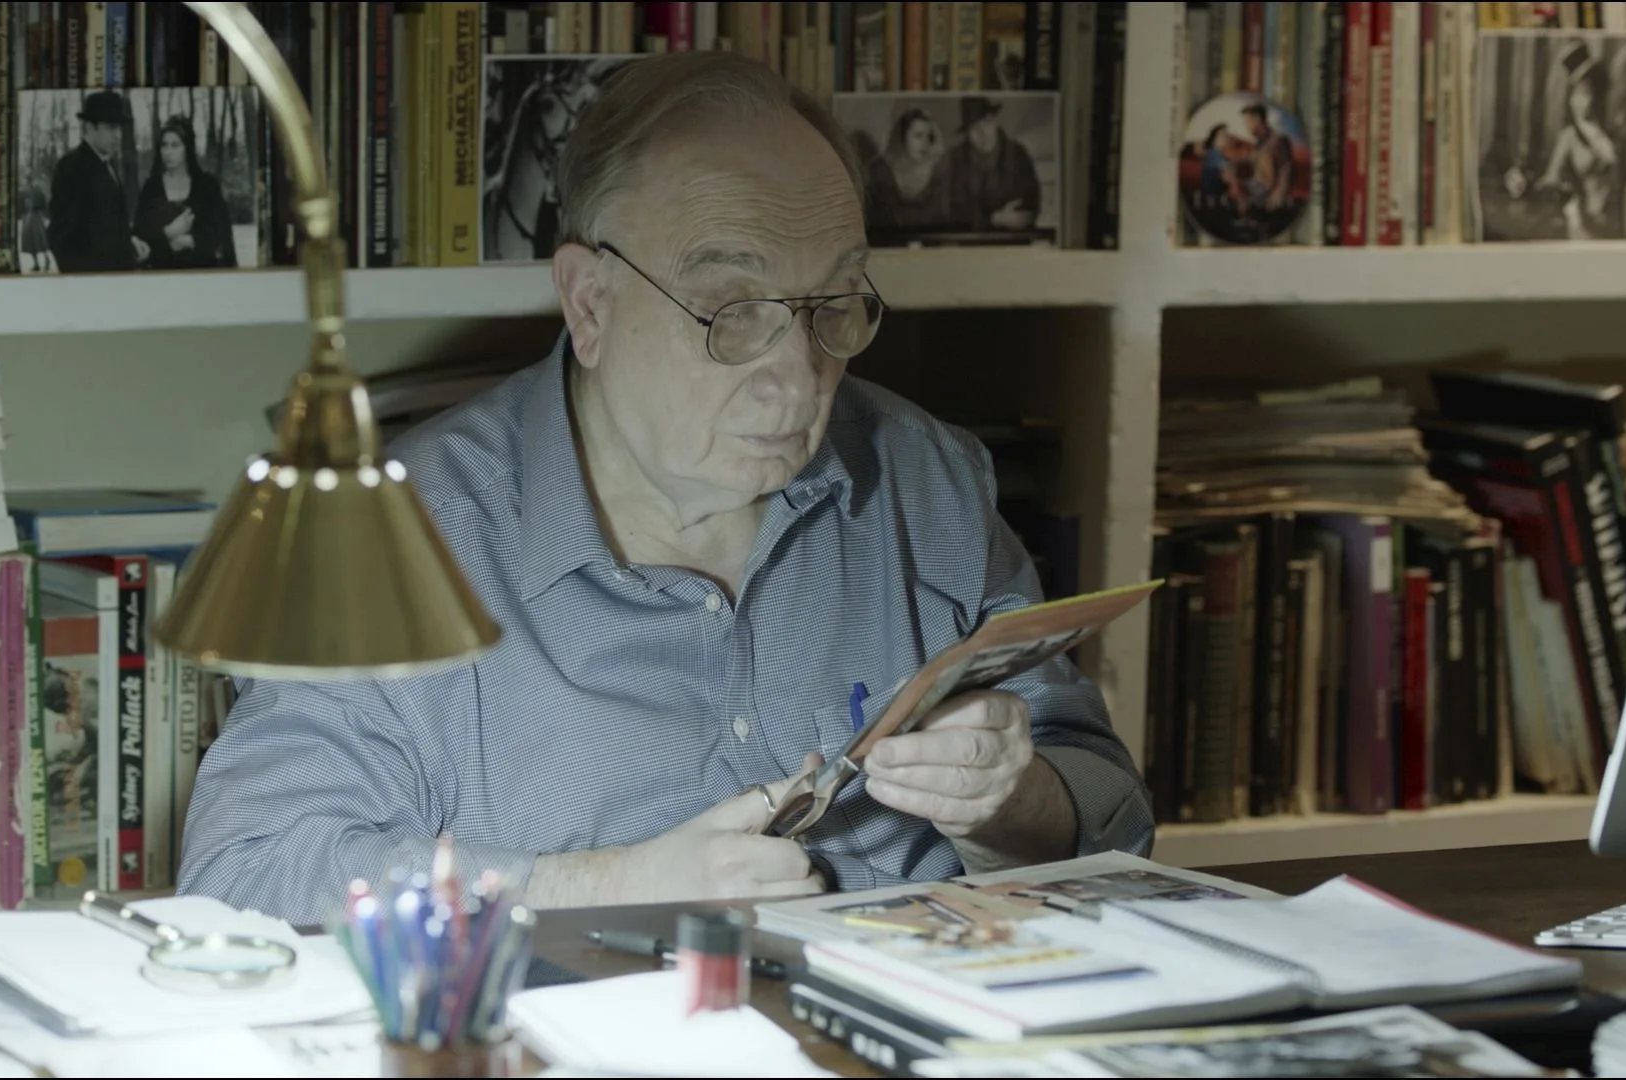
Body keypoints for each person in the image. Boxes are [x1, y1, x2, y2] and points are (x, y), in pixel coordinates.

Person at [177, 51, 1152, 925]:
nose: (800, 377)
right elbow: (247, 872)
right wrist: (604, 885)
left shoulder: (923, 476)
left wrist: (1013, 804)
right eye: (732, 310)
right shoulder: (404, 530)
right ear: (590, 304)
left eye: (833, 306)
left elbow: (1110, 813)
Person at [46, 90, 148, 273]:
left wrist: (129, 241)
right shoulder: (73, 167)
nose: (117, 136)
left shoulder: (107, 164)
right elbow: (62, 238)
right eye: (110, 128)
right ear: (90, 127)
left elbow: (107, 224)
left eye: (119, 128)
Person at [1537, 42, 1623, 241]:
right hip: (1584, 227)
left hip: (1616, 228)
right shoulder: (1568, 137)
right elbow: (1552, 180)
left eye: (1587, 92)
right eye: (1577, 93)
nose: (1582, 101)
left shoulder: (1613, 133)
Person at [134, 115, 237, 270]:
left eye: (175, 145)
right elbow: (140, 235)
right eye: (164, 145)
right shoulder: (152, 188)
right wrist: (168, 233)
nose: (168, 152)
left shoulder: (207, 186)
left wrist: (191, 240)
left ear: (187, 148)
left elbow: (222, 233)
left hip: (202, 274)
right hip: (162, 274)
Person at [944, 96, 1042, 234]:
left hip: (1013, 243)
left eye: (987, 122)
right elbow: (953, 211)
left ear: (996, 122)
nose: (982, 133)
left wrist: (1022, 218)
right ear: (967, 133)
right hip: (969, 244)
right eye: (974, 127)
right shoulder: (956, 159)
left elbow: (1032, 203)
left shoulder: (1017, 154)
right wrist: (993, 219)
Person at [865, 107, 951, 234]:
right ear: (902, 137)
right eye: (918, 136)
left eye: (929, 137)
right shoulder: (879, 171)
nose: (925, 143)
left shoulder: (938, 173)